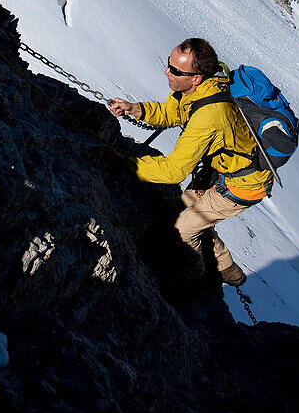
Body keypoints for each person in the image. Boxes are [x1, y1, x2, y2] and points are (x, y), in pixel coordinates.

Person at [108, 38, 273, 287]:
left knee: (184, 227)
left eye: (175, 70)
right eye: (168, 65)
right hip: (222, 171)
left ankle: (191, 279)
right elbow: (172, 113)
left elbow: (174, 171)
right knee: (188, 212)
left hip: (245, 184)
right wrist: (135, 108)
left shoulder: (210, 115)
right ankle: (228, 268)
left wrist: (124, 163)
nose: (167, 72)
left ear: (196, 77)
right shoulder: (197, 89)